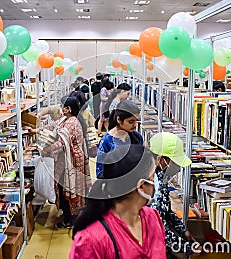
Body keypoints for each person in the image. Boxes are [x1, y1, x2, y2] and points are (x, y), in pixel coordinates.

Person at [70, 145, 167, 259]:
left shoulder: (152, 218)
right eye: (152, 177)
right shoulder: (92, 240)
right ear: (141, 186)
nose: (155, 183)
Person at [41, 96, 92, 228]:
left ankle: (71, 220)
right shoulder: (66, 119)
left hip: (72, 161)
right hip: (65, 160)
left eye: (63, 106)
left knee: (68, 188)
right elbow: (53, 126)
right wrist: (36, 130)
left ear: (68, 109)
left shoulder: (72, 123)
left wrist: (46, 150)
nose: (61, 108)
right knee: (64, 187)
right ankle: (69, 215)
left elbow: (61, 143)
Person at [149, 132, 201, 258]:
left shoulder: (159, 176)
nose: (177, 167)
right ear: (162, 159)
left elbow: (164, 211)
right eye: (175, 162)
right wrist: (189, 249)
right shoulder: (155, 185)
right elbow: (160, 232)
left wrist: (183, 230)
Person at [96, 100, 143, 178]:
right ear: (119, 120)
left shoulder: (138, 137)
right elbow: (100, 171)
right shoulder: (106, 141)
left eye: (136, 121)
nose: (135, 125)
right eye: (131, 122)